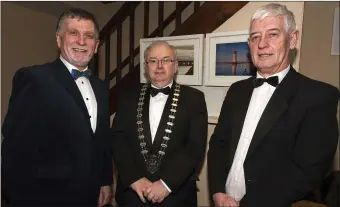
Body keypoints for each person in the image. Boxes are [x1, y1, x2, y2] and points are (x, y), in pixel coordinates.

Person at [208, 3, 339, 207]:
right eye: (255, 37)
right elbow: (218, 146)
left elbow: (308, 171)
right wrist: (217, 192)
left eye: (273, 34)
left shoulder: (319, 96)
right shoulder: (236, 91)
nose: (262, 44)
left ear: (292, 39)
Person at [1, 8, 113, 206]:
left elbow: (100, 140)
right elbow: (14, 149)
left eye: (89, 36)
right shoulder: (35, 79)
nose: (81, 41)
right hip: (45, 197)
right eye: (73, 33)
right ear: (59, 40)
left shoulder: (101, 87)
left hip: (89, 195)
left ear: (96, 46)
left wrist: (104, 181)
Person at [111, 40, 208, 207]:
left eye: (166, 60)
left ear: (175, 66)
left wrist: (166, 184)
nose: (159, 66)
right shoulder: (128, 96)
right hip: (133, 195)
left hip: (176, 195)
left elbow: (195, 147)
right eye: (153, 61)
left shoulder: (194, 98)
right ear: (146, 66)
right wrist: (134, 179)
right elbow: (118, 140)